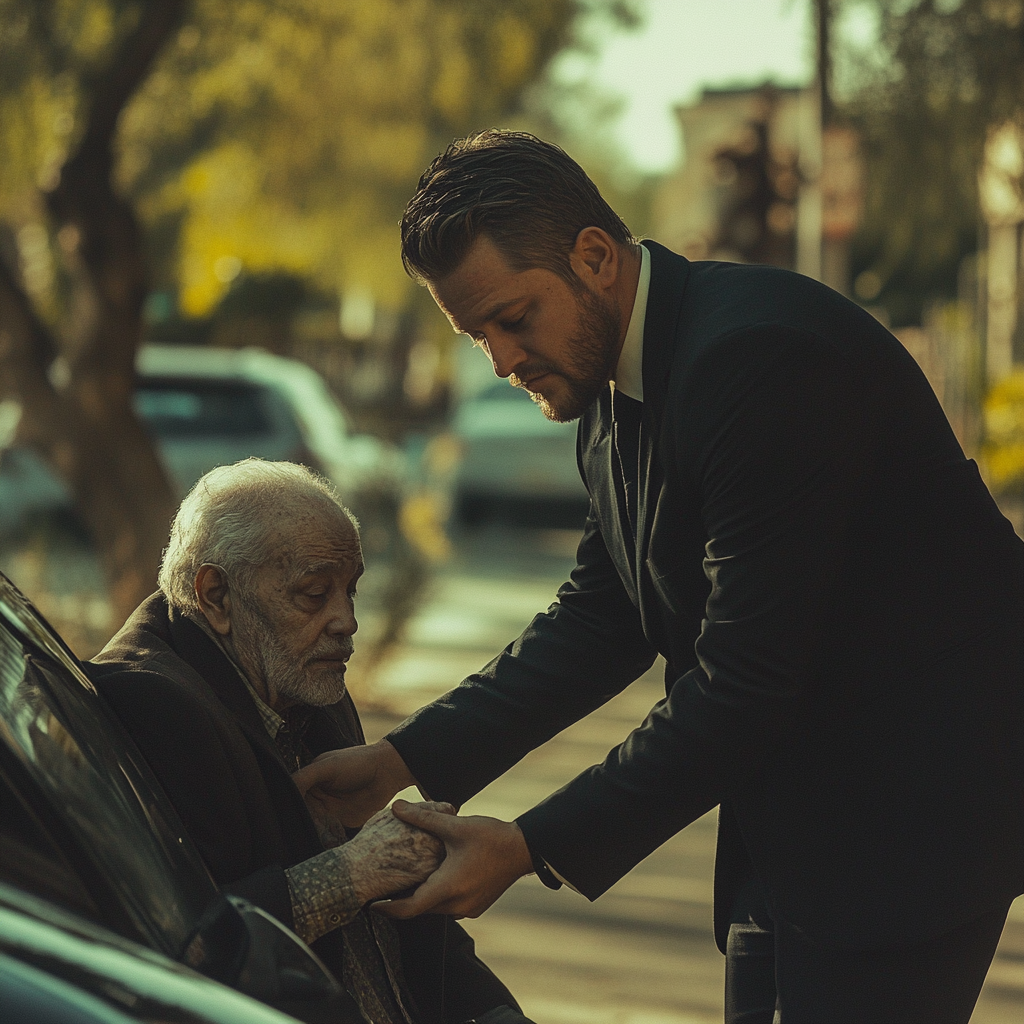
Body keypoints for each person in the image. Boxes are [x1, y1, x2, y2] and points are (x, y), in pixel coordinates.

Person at [294, 130, 1024, 1024]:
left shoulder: (761, 361)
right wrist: (400, 762)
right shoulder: (612, 382)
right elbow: (602, 618)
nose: (500, 360)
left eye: (513, 319)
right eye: (476, 333)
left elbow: (743, 682)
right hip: (786, 837)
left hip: (907, 830)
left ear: (594, 257)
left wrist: (527, 845)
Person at [88, 458, 528, 1024]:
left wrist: (492, 1012)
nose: (346, 620)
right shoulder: (152, 704)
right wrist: (353, 872)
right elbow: (190, 947)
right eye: (314, 593)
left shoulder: (303, 684)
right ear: (217, 596)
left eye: (350, 591)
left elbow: (404, 921)